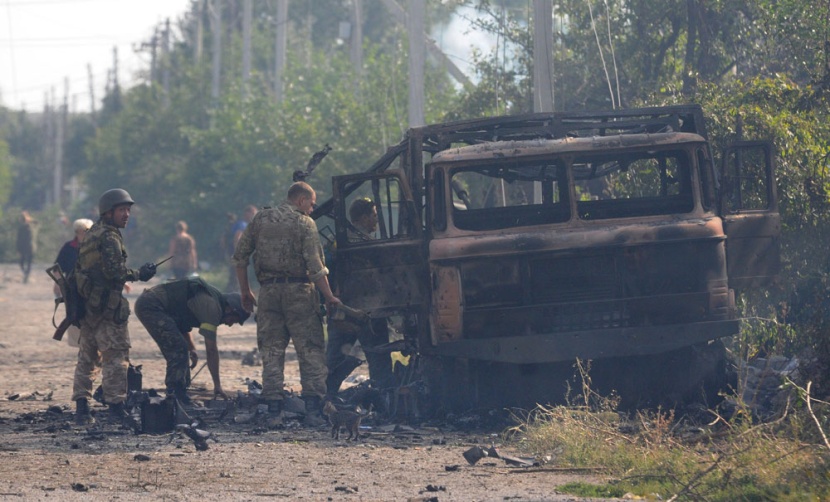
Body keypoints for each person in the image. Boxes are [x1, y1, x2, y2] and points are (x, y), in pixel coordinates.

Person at [232, 182, 341, 426]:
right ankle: (313, 411)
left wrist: (245, 291)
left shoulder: (260, 219)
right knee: (310, 350)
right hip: (300, 292)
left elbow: (240, 257)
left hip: (268, 292)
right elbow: (315, 267)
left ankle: (274, 411)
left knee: (271, 351)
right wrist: (329, 296)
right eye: (311, 204)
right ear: (301, 200)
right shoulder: (304, 223)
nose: (312, 210)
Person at [71, 188, 157, 425]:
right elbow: (115, 272)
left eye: (128, 210)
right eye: (122, 210)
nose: (127, 214)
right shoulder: (109, 236)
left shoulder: (91, 234)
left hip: (88, 307)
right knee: (116, 357)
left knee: (86, 358)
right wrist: (140, 274)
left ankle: (81, 409)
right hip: (108, 310)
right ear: (108, 213)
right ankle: (117, 409)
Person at [135, 277, 250, 403]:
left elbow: (181, 321)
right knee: (178, 348)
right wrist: (217, 385)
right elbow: (211, 350)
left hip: (157, 305)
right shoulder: (212, 309)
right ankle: (175, 393)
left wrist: (192, 348)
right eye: (233, 320)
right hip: (151, 306)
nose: (229, 324)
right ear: (229, 309)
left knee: (182, 347)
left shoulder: (214, 300)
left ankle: (181, 391)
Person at [326, 198, 395, 395]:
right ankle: (383, 400)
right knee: (379, 359)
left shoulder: (337, 241)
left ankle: (323, 400)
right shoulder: (368, 244)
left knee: (334, 358)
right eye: (374, 215)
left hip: (345, 310)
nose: (376, 220)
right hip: (368, 311)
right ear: (364, 218)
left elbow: (323, 269)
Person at [53, 218, 94, 296]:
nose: (83, 235)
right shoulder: (68, 247)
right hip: (72, 288)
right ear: (76, 232)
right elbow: (57, 268)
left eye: (86, 232)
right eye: (80, 232)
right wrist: (58, 283)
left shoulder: (98, 248)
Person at [226, 205, 257, 292]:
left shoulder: (241, 224)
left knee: (234, 273)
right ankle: (236, 292)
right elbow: (237, 237)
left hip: (233, 252)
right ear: (247, 213)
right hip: (237, 252)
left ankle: (233, 290)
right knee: (238, 272)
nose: (254, 216)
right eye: (253, 213)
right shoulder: (242, 224)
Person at [16, 211, 37, 284]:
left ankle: (27, 275)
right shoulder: (22, 228)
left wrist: (29, 219)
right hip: (24, 248)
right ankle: (26, 274)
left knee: (28, 263)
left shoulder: (30, 226)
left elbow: (36, 222)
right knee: (22, 262)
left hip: (29, 247)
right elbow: (18, 239)